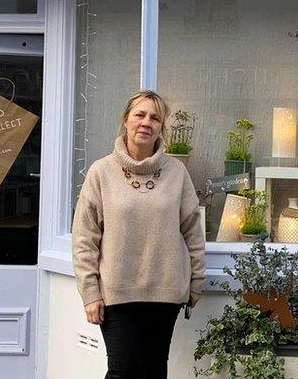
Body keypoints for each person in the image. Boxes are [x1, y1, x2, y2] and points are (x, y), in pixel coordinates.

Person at [72, 90, 205, 379]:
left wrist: (196, 281)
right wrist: (90, 293)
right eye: (140, 115)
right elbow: (84, 238)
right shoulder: (101, 172)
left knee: (154, 372)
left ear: (161, 127)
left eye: (155, 118)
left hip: (164, 293)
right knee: (122, 372)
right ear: (125, 120)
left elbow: (193, 231)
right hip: (117, 294)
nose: (146, 122)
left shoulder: (177, 172)